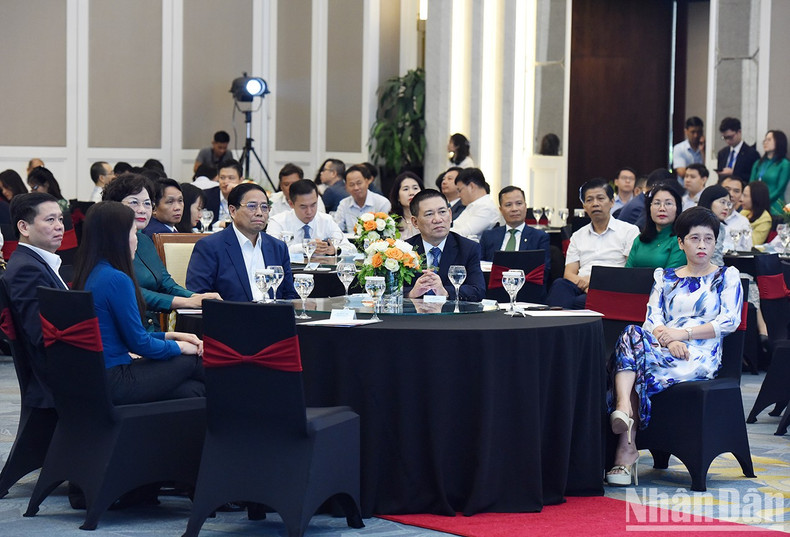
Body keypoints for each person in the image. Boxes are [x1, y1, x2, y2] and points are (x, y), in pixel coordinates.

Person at [605, 207, 742, 486]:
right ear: (681, 242)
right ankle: (623, 410)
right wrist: (667, 339)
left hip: (701, 354)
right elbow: (651, 319)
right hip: (661, 346)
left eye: (708, 239)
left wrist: (683, 335)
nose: (702, 245)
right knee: (631, 332)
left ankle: (625, 445)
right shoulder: (665, 277)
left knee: (632, 364)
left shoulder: (727, 276)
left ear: (715, 242)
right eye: (694, 238)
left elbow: (729, 321)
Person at [71, 202, 204, 405]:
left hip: (97, 376)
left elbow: (125, 335)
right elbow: (139, 344)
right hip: (117, 378)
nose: (137, 241)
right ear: (118, 239)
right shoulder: (116, 279)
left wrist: (170, 335)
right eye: (134, 233)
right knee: (196, 360)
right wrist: (182, 347)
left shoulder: (91, 272)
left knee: (194, 390)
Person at [103, 174, 220, 330]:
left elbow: (166, 283)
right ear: (114, 205)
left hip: (152, 328)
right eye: (134, 202)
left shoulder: (143, 240)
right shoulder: (107, 242)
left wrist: (196, 297)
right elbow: (131, 291)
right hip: (125, 328)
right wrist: (185, 302)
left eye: (147, 203)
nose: (142, 209)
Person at [3, 193, 70, 409]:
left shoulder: (35, 262)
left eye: (60, 219)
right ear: (24, 227)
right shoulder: (27, 269)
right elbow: (43, 336)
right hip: (59, 382)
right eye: (50, 220)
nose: (60, 226)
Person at [186, 182, 298, 302]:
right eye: (252, 206)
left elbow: (289, 295)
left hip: (273, 317)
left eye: (264, 207)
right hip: (230, 317)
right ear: (233, 211)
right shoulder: (210, 246)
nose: (259, 212)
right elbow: (199, 295)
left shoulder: (278, 247)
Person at [547, 178, 640, 309]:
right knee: (560, 285)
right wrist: (586, 284)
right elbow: (569, 274)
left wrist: (595, 283)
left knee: (576, 302)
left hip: (611, 285)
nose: (595, 204)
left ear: (612, 202)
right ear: (584, 206)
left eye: (600, 198)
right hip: (581, 285)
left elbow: (629, 270)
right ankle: (555, 325)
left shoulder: (629, 231)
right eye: (589, 200)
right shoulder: (578, 236)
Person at [403, 189, 486, 301]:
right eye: (429, 214)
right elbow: (388, 290)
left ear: (450, 215)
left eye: (442, 212)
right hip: (414, 317)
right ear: (415, 222)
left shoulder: (468, 248)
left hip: (452, 317)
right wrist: (411, 293)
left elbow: (478, 290)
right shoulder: (404, 250)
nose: (438, 219)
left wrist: (445, 292)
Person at [266, 179, 353, 256]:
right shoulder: (277, 222)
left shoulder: (326, 220)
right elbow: (271, 250)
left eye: (313, 205)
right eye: (303, 207)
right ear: (291, 204)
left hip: (322, 273)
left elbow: (351, 248)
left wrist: (335, 250)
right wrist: (306, 247)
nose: (309, 211)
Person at [480, 186, 551, 275]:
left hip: (527, 285)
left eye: (519, 203)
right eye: (508, 205)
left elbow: (544, 271)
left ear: (525, 206)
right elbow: (479, 266)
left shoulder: (539, 237)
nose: (514, 209)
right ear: (501, 210)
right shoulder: (489, 236)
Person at [625, 184, 685, 269]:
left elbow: (670, 278)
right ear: (649, 208)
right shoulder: (639, 239)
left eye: (668, 203)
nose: (662, 208)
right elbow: (626, 272)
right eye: (657, 203)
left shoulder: (680, 242)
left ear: (677, 209)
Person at [334, 164, 391, 232]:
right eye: (351, 184)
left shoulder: (382, 203)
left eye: (359, 183)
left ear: (367, 182)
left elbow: (387, 231)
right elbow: (336, 229)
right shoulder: (344, 204)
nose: (356, 188)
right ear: (346, 187)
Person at [451, 168, 502, 238]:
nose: (459, 195)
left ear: (471, 186)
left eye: (460, 190)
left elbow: (463, 233)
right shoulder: (473, 205)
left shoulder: (486, 208)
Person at [750, 130, 790, 215]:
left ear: (778, 142)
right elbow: (751, 183)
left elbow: (779, 189)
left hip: (775, 207)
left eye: (769, 140)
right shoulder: (758, 163)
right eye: (765, 140)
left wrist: (764, 201)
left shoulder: (784, 164)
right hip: (756, 205)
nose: (765, 142)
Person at [696, 185, 732, 265]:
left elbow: (717, 257)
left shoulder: (720, 227)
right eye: (722, 202)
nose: (726, 207)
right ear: (709, 201)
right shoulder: (695, 226)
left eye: (728, 204)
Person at [203, 159, 243, 228]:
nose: (226, 182)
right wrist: (220, 224)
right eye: (222, 178)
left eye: (231, 178)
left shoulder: (246, 197)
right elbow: (196, 221)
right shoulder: (206, 195)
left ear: (240, 180)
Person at [388, 171, 423, 240]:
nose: (411, 193)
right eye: (406, 189)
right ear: (397, 197)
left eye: (415, 188)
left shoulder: (429, 220)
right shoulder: (390, 223)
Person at [672, 116, 705, 184]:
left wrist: (703, 152)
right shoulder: (679, 148)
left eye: (699, 132)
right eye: (693, 132)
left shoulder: (705, 148)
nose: (696, 135)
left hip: (703, 187)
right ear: (686, 131)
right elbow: (682, 173)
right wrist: (701, 176)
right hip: (684, 188)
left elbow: (708, 169)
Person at [740, 181, 772, 245]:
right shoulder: (744, 212)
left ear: (756, 198)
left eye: (745, 196)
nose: (741, 199)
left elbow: (754, 243)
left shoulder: (765, 219)